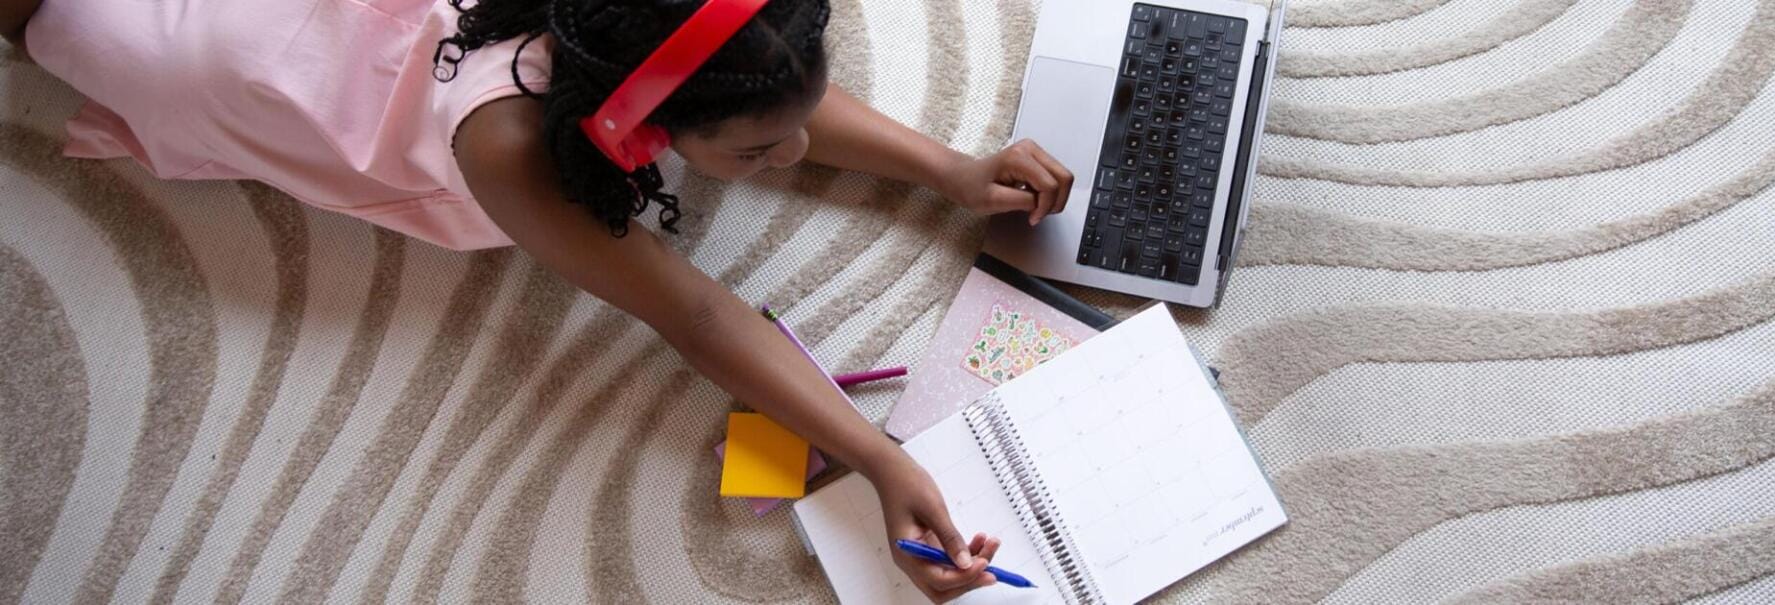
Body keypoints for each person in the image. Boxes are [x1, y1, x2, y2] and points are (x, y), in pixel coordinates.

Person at [4, 0, 1075, 600]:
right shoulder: (506, 142)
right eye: (758, 150)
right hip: (214, 48)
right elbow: (694, 312)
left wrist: (946, 168)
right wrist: (885, 458)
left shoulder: (655, 35)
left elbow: (765, 82)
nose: (792, 158)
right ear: (632, 118)